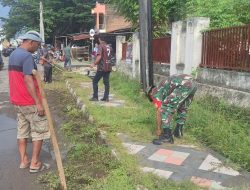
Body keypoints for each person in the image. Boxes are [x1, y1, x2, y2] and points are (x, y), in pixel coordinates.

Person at [8, 30, 50, 173]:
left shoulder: (14, 54)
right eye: (37, 45)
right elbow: (27, 79)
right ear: (30, 42)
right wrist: (38, 103)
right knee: (39, 131)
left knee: (22, 132)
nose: (38, 48)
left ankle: (24, 161)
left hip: (18, 101)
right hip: (29, 102)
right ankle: (35, 163)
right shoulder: (27, 56)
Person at [146, 74, 197, 145]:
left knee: (166, 107)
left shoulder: (155, 92)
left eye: (152, 100)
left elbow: (159, 111)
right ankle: (178, 132)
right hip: (193, 84)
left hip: (184, 84)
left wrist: (158, 129)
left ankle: (167, 137)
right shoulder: (163, 86)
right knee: (182, 107)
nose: (153, 101)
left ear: (150, 94)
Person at [89, 34, 112, 102]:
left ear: (100, 39)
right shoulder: (109, 47)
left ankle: (95, 97)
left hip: (102, 67)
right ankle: (106, 97)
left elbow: (99, 57)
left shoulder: (100, 46)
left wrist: (94, 64)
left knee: (95, 81)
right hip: (108, 67)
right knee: (106, 82)